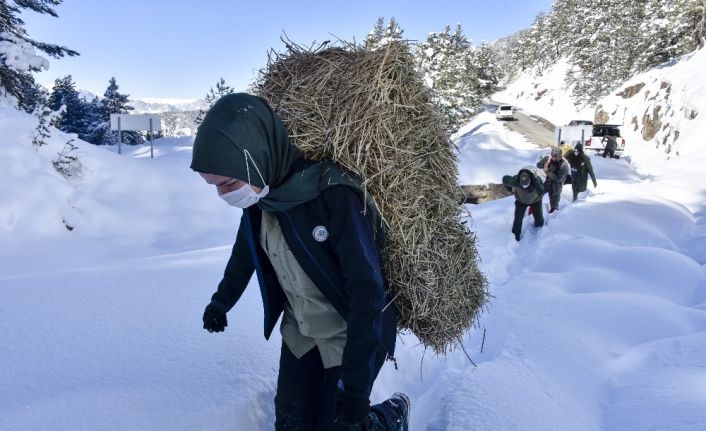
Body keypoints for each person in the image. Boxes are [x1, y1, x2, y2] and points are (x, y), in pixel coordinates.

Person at [190, 93, 410, 430]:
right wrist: (221, 303)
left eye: (228, 184)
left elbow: (368, 292)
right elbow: (244, 254)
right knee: (291, 424)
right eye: (214, 186)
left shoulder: (335, 197)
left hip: (351, 332)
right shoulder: (259, 200)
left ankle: (391, 415)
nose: (224, 195)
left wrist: (355, 390)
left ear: (257, 156)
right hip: (301, 333)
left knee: (342, 425)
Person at [502, 167, 545, 241]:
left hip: (535, 201)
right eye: (523, 186)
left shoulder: (536, 180)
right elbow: (504, 179)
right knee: (517, 219)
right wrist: (512, 190)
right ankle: (515, 235)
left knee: (539, 219)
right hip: (521, 201)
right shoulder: (515, 180)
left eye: (526, 185)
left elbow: (542, 192)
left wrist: (536, 180)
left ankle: (539, 230)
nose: (525, 187)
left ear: (530, 180)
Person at [536, 147, 569, 213]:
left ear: (560, 156)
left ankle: (552, 219)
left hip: (556, 186)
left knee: (554, 206)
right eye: (552, 156)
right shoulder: (548, 159)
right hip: (547, 182)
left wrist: (547, 171)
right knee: (537, 195)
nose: (553, 158)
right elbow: (538, 165)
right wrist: (544, 164)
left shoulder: (564, 165)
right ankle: (533, 209)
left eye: (555, 157)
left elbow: (558, 179)